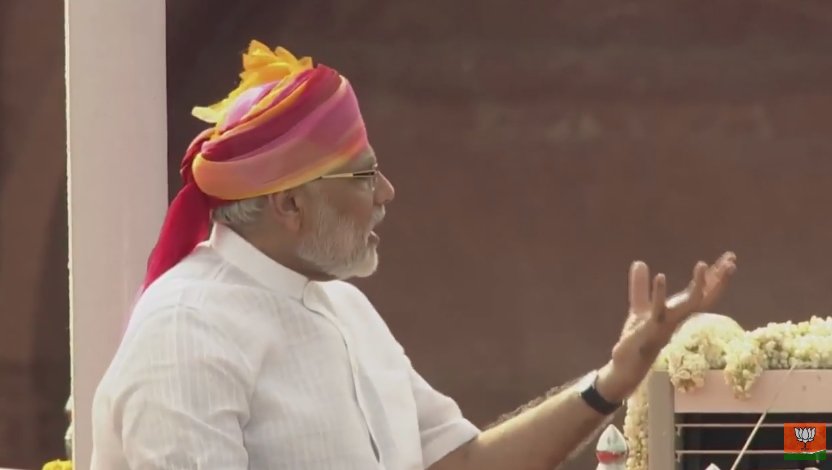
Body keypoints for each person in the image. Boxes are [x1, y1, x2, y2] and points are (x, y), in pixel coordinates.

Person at [90, 40, 738, 470]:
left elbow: (462, 464)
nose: (387, 194)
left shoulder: (344, 308)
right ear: (288, 205)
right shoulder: (188, 330)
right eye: (363, 176)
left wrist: (612, 381)